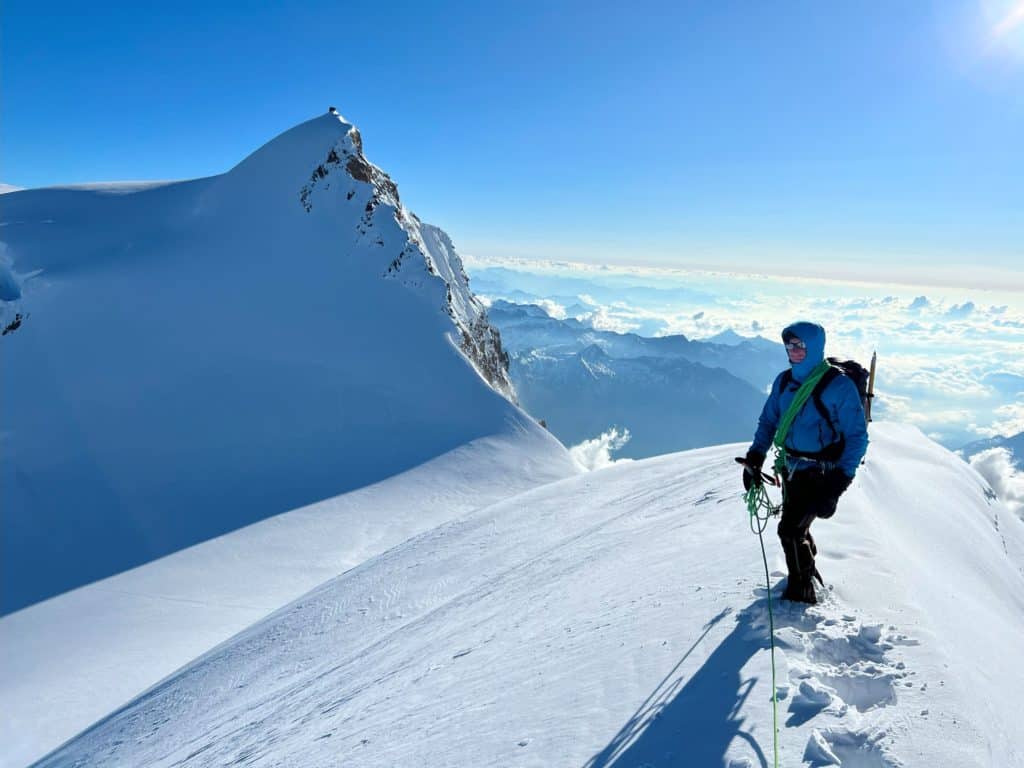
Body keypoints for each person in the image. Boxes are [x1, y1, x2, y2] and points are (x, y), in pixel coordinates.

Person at [742, 321, 868, 604]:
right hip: (791, 468)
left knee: (789, 531)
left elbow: (858, 438)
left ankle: (801, 596)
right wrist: (755, 456)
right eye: (789, 345)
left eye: (800, 346)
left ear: (814, 347)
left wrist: (836, 485)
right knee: (798, 528)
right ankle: (808, 575)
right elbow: (769, 420)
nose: (793, 351)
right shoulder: (784, 381)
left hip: (821, 473)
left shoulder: (839, 386)